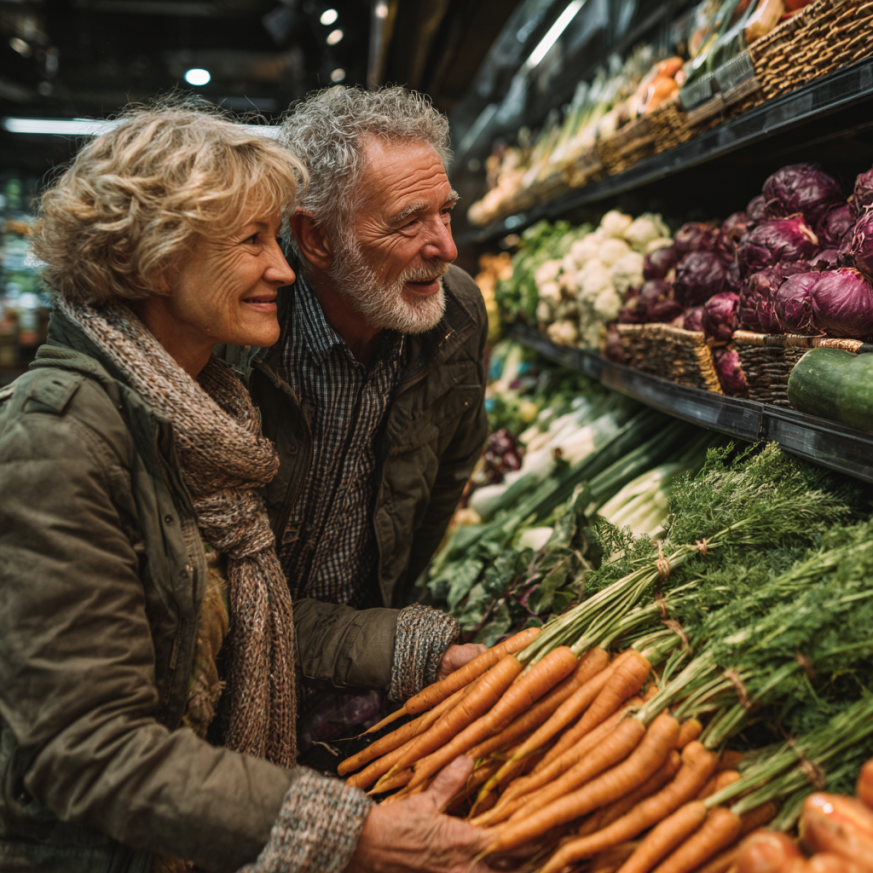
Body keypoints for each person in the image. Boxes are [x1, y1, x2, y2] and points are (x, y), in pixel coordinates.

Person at [0, 105, 492, 873]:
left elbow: (235, 609)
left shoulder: (205, 413)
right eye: (252, 240)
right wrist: (353, 834)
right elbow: (84, 745)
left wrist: (410, 648)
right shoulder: (61, 433)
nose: (285, 269)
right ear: (157, 259)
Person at [228, 86, 488, 623]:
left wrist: (381, 620)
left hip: (364, 646)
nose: (447, 247)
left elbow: (447, 476)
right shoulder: (238, 331)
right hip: (244, 647)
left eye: (446, 212)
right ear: (317, 237)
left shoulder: (457, 313)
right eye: (409, 221)